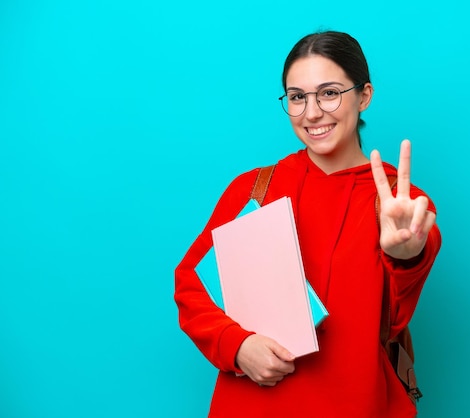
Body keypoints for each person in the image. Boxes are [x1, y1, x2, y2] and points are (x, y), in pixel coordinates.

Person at [174, 30, 442, 417]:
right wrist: (236, 346)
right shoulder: (254, 189)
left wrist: (407, 255)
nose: (312, 112)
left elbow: (397, 315)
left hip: (357, 404)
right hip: (252, 405)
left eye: (329, 92)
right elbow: (191, 285)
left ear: (364, 96)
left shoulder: (400, 204)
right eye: (297, 97)